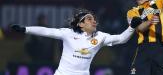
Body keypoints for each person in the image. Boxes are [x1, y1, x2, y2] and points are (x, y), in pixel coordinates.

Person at [11, 8, 144, 75]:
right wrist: (25, 29)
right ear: (80, 24)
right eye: (89, 19)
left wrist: (131, 27)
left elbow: (121, 39)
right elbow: (46, 31)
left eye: (94, 19)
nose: (94, 21)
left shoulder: (100, 36)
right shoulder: (69, 33)